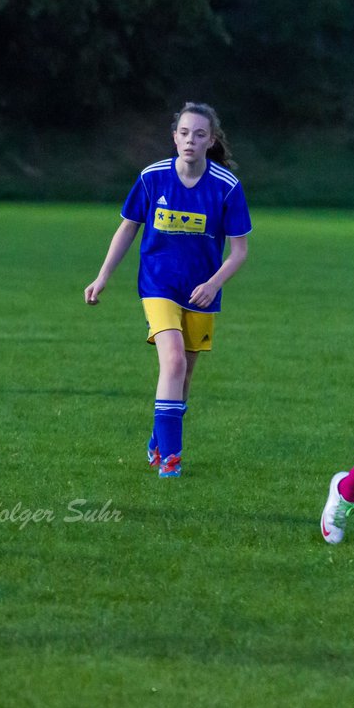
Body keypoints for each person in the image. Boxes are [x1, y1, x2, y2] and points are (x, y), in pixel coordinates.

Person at [83, 102, 251, 478]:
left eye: (200, 134)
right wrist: (103, 276)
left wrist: (212, 283)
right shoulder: (152, 178)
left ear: (211, 141)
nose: (191, 140)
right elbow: (128, 227)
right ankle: (171, 461)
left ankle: (159, 437)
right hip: (158, 285)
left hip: (201, 293)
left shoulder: (226, 187)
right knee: (172, 362)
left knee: (185, 376)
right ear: (174, 137)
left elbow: (239, 252)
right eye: (185, 133)